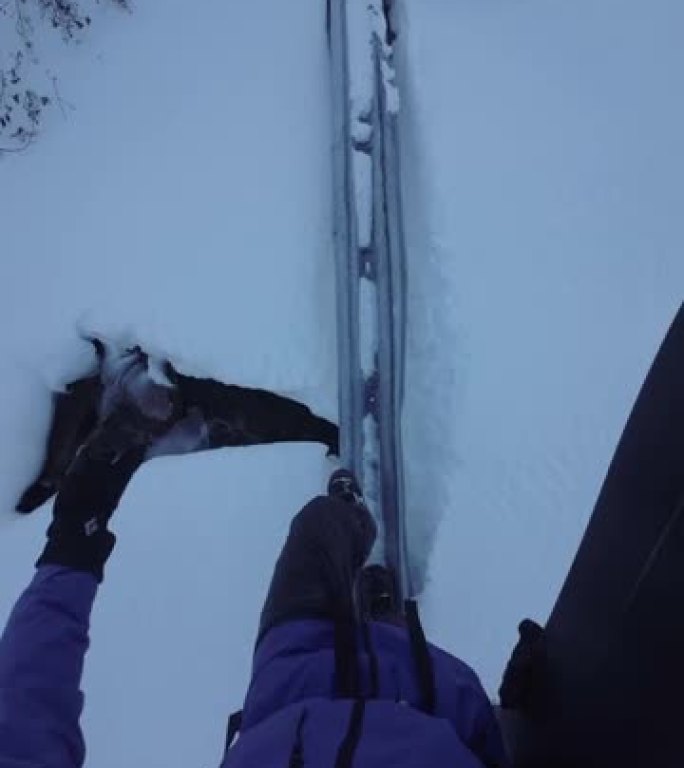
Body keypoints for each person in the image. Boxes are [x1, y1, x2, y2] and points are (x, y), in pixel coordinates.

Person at [0, 388, 509, 768]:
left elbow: (21, 715)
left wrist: (70, 550)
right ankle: (380, 618)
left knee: (315, 530)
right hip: (426, 700)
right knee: (380, 624)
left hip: (289, 688)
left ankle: (349, 516)